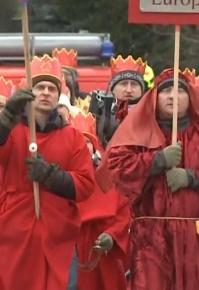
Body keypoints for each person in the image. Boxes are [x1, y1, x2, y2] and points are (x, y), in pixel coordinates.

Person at [99, 69, 199, 290]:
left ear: (190, 97)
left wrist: (192, 177)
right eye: (166, 92)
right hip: (151, 239)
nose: (173, 96)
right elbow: (117, 167)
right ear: (155, 97)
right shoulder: (138, 133)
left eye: (180, 92)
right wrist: (157, 160)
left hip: (197, 239)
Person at [0, 55, 96, 290]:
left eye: (52, 88)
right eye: (40, 87)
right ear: (30, 91)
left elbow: (85, 184)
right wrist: (8, 115)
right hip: (16, 228)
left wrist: (50, 175)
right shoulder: (12, 129)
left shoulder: (72, 137)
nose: (46, 92)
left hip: (57, 230)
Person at [69, 112, 130, 290]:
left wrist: (112, 235)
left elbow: (123, 212)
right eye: (77, 141)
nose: (81, 145)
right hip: (70, 248)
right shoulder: (59, 178)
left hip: (101, 250)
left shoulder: (108, 177)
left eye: (86, 141)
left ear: (94, 147)